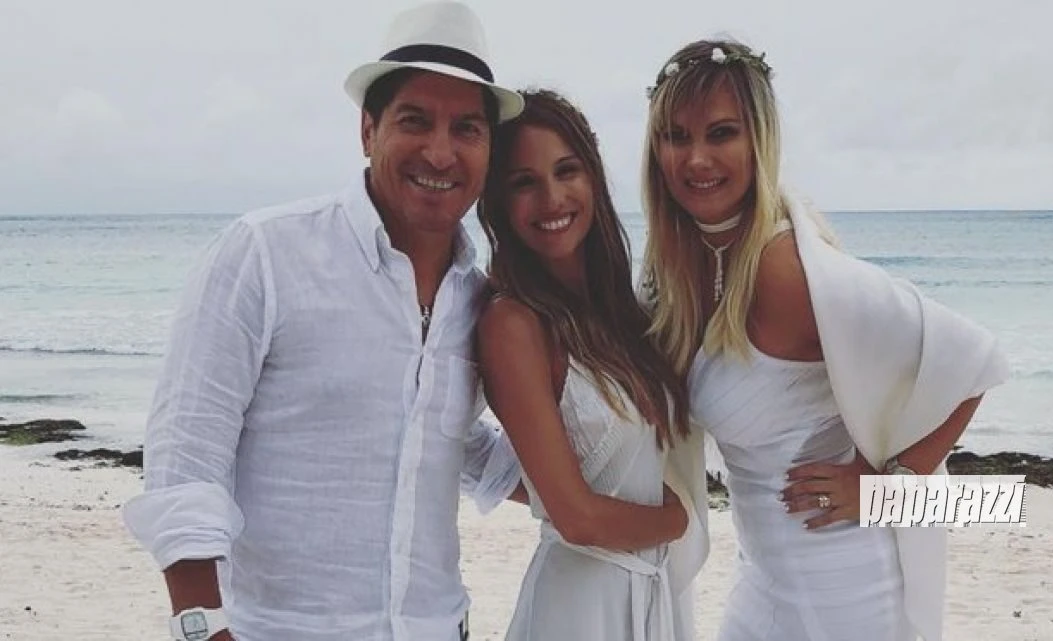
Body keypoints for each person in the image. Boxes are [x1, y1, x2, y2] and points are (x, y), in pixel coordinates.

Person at [121, 3, 528, 640]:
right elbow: (186, 456)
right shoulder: (265, 255)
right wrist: (202, 628)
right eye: (414, 121)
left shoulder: (479, 300)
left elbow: (449, 436)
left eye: (466, 129)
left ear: (488, 149)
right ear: (368, 130)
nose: (440, 152)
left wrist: (616, 474)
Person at [639, 39, 1010, 641]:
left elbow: (975, 361)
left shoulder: (783, 268)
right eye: (676, 136)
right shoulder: (681, 272)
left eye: (721, 133)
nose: (696, 158)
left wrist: (884, 488)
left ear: (760, 140)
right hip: (762, 581)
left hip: (845, 593)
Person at [475, 89, 709, 641]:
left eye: (566, 171)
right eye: (524, 182)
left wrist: (877, 495)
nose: (552, 198)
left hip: (650, 590)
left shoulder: (621, 315)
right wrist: (676, 520)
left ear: (594, 179)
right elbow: (577, 518)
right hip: (579, 606)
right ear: (500, 202)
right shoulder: (513, 323)